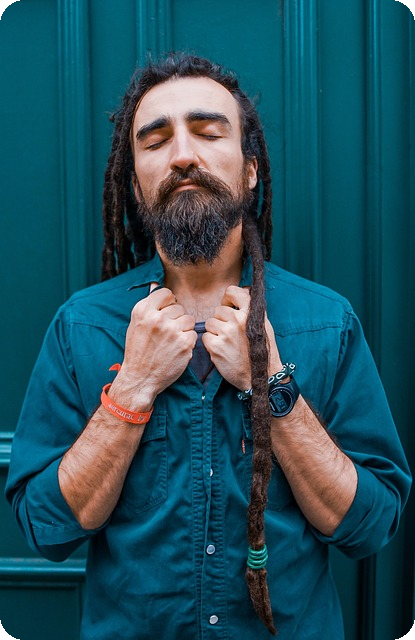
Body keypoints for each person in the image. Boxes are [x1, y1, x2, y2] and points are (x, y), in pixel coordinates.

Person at [5, 52, 411, 639]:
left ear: (250, 171)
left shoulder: (328, 323)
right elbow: (46, 528)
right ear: (135, 183)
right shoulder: (81, 327)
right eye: (155, 141)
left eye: (208, 132)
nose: (182, 155)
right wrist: (131, 390)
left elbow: (370, 527)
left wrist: (273, 387)